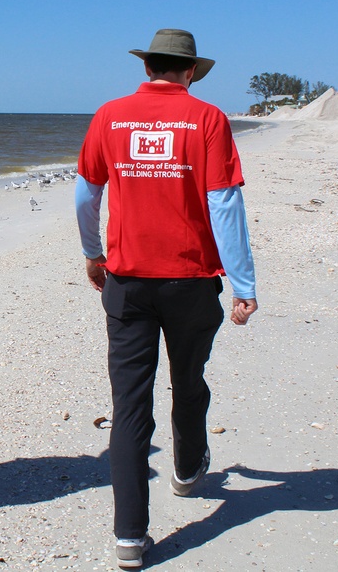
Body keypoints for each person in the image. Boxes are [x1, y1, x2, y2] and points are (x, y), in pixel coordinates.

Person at [75, 29, 257, 569]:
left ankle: (129, 536)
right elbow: (223, 204)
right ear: (190, 72)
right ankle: (185, 468)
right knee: (189, 377)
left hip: (127, 282)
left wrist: (92, 252)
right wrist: (244, 284)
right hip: (192, 281)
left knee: (129, 407)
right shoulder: (207, 119)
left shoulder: (109, 115)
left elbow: (86, 192)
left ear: (148, 66)